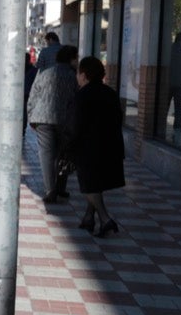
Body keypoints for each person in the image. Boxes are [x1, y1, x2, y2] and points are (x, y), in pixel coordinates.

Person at [71, 55, 125, 238]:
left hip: (89, 148)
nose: (77, 76)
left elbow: (76, 125)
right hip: (111, 146)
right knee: (95, 183)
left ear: (84, 75)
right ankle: (88, 217)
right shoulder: (110, 93)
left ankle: (105, 219)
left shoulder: (82, 95)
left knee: (88, 186)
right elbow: (119, 118)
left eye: (78, 73)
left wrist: (68, 147)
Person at [27, 45, 79, 206]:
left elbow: (33, 94)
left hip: (42, 119)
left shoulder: (44, 72)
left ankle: (50, 190)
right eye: (76, 58)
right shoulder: (73, 76)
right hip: (64, 120)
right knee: (63, 154)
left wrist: (31, 116)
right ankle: (61, 187)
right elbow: (76, 99)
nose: (78, 61)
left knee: (46, 155)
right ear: (71, 59)